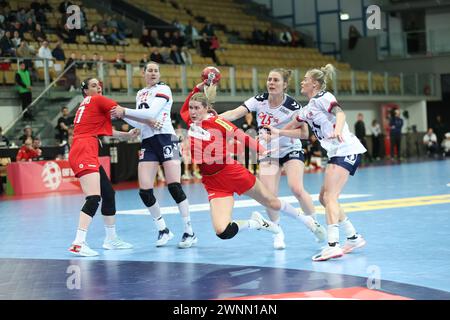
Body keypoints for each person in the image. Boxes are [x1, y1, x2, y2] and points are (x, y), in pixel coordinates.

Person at [170, 77, 317, 245]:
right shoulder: (191, 121)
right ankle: (256, 223)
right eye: (191, 108)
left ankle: (307, 221)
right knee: (222, 231)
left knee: (272, 201)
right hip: (212, 182)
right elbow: (189, 99)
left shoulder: (217, 122)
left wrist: (263, 150)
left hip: (231, 172)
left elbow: (242, 136)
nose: (193, 112)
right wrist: (199, 86)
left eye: (197, 108)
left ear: (207, 109)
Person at [220, 68, 325, 250]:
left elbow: (304, 133)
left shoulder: (292, 106)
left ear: (284, 85)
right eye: (269, 79)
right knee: (269, 195)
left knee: (296, 188)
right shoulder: (259, 100)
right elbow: (235, 113)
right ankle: (278, 232)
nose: (271, 83)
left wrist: (279, 133)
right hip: (268, 152)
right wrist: (213, 119)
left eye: (276, 80)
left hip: (290, 148)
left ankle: (314, 224)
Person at [283, 64, 367, 261]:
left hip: (346, 150)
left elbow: (340, 113)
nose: (302, 82)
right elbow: (294, 123)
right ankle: (353, 237)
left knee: (330, 196)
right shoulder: (309, 108)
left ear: (315, 83)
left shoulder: (324, 97)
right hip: (336, 153)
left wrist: (338, 130)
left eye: (305, 79)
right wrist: (275, 134)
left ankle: (332, 245)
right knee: (324, 197)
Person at [110, 62, 197, 249]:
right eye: (149, 70)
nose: (153, 73)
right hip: (148, 141)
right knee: (145, 190)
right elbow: (143, 120)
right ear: (143, 73)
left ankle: (189, 231)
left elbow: (151, 113)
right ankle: (163, 229)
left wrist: (123, 111)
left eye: (156, 70)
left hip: (166, 139)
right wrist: (128, 121)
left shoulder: (164, 88)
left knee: (174, 186)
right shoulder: (140, 93)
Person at [68, 77, 136, 257]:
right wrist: (150, 119)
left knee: (108, 193)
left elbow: (105, 130)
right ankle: (78, 243)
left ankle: (111, 239)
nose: (98, 88)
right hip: (84, 149)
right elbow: (121, 111)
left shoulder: (88, 105)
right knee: (93, 198)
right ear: (85, 91)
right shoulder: (97, 100)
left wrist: (126, 135)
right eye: (93, 86)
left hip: (84, 148)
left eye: (99, 85)